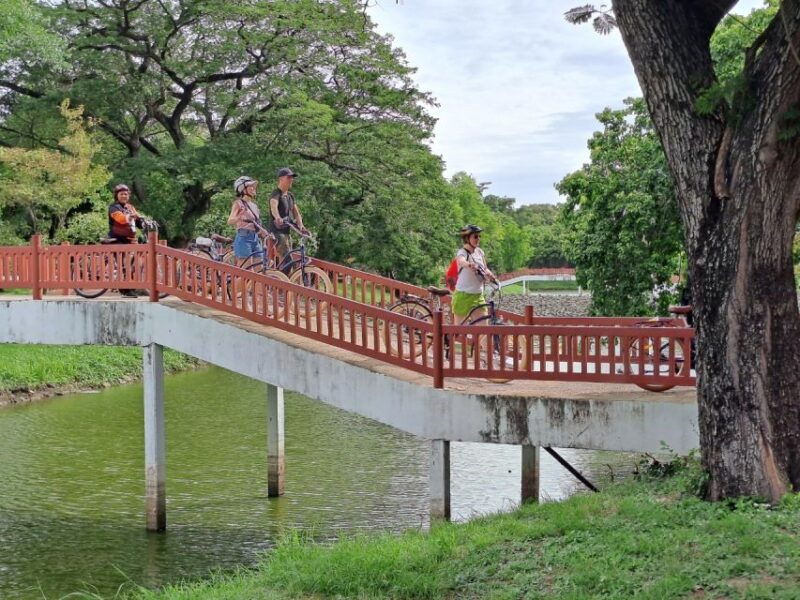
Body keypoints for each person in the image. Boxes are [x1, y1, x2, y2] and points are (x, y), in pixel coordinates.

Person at [451, 224, 496, 325]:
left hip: (478, 295)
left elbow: (485, 268)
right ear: (467, 238)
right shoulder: (462, 252)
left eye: (479, 236)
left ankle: (476, 341)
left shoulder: (480, 252)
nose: (478, 239)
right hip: (463, 295)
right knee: (460, 331)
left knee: (484, 330)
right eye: (475, 236)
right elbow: (461, 261)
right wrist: (469, 264)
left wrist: (491, 275)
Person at [108, 183, 147, 297]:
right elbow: (120, 218)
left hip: (129, 239)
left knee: (136, 263)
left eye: (126, 194)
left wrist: (144, 222)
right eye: (121, 194)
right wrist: (129, 217)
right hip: (116, 239)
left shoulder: (130, 207)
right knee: (125, 263)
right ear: (117, 195)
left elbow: (138, 219)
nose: (124, 196)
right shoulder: (114, 207)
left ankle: (134, 287)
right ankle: (125, 289)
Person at [268, 167, 309, 264]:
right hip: (277, 231)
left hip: (286, 232)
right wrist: (277, 217)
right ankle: (281, 279)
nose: (291, 180)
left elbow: (296, 213)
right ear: (281, 179)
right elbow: (273, 206)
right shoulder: (276, 193)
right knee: (287, 260)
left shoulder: (290, 196)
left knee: (290, 259)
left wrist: (301, 226)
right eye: (288, 178)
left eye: (292, 178)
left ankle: (284, 277)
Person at [227, 176, 264, 264]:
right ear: (243, 189)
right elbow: (230, 220)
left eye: (253, 186)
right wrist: (239, 217)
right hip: (244, 238)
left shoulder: (254, 206)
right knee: (245, 271)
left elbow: (256, 224)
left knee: (259, 268)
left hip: (255, 238)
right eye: (250, 186)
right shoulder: (238, 203)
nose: (253, 188)